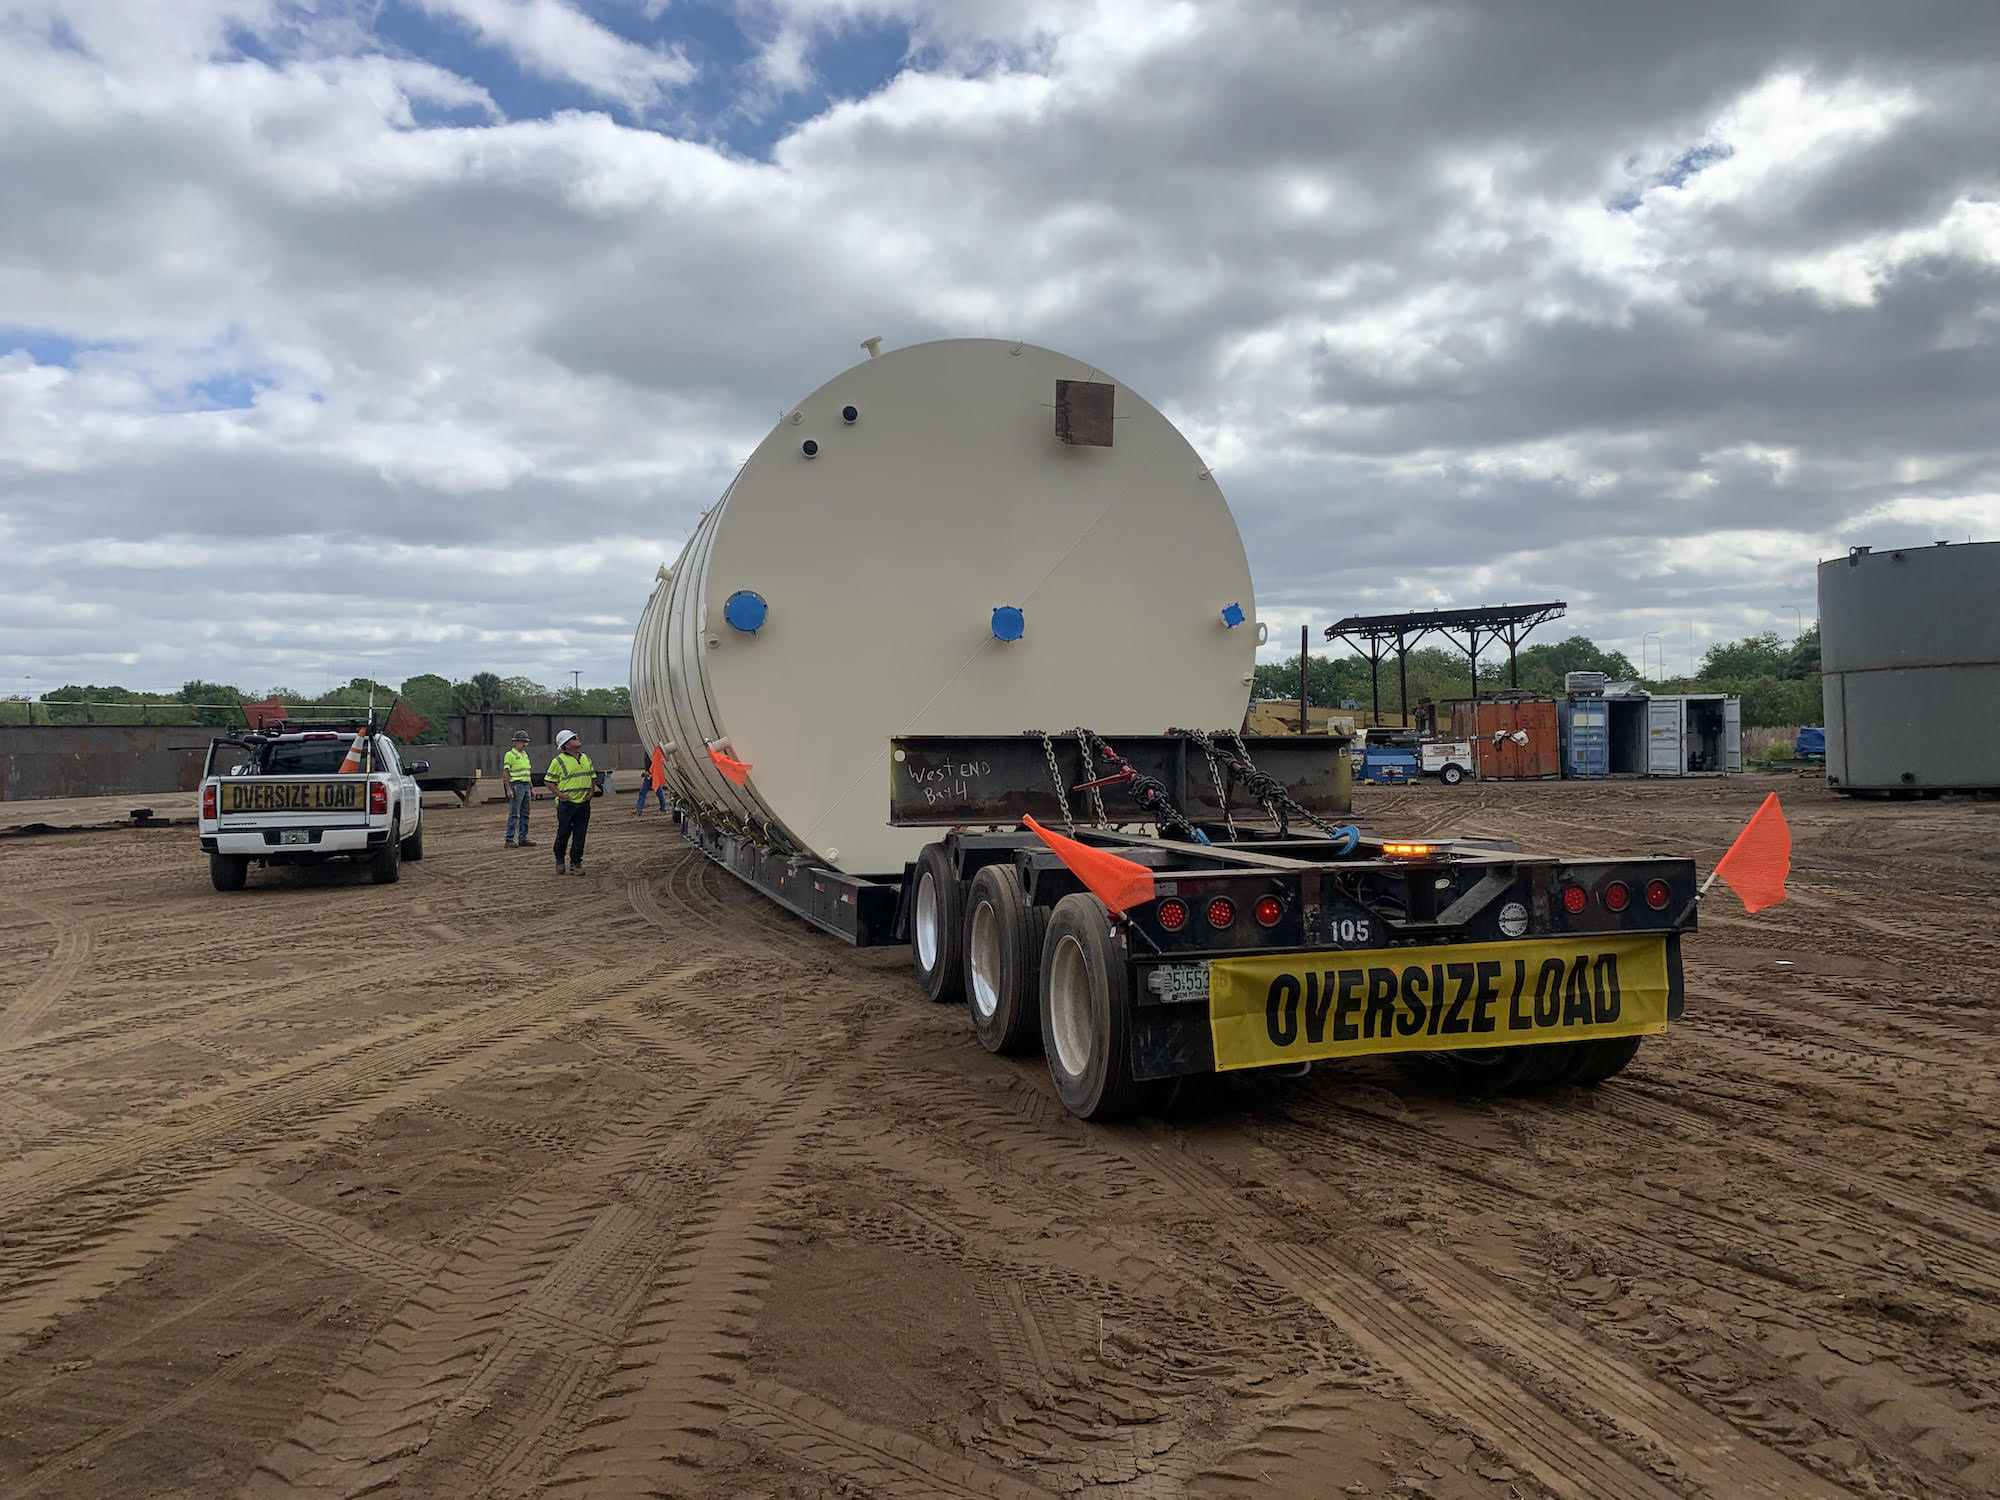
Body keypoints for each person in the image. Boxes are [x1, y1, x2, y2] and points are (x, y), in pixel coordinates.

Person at [545, 729, 596, 875]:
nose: (577, 739)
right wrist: (560, 795)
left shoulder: (586, 758)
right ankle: (559, 859)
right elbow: (548, 781)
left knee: (580, 834)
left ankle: (576, 862)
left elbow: (592, 776)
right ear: (566, 745)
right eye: (574, 738)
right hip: (567, 805)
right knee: (564, 832)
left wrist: (591, 792)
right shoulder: (558, 761)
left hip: (583, 803)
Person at [503, 729, 536, 847]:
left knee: (525, 813)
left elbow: (527, 772)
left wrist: (531, 788)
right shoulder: (510, 755)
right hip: (516, 785)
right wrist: (508, 789)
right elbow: (506, 772)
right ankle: (509, 839)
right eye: (523, 742)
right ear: (516, 742)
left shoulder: (525, 755)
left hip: (525, 785)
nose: (525, 744)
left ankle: (523, 838)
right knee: (514, 813)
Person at [635, 744, 669, 814]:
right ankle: (640, 809)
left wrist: (648, 772)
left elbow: (654, 764)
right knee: (655, 792)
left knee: (656, 792)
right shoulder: (650, 752)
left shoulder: (652, 752)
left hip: (653, 775)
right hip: (650, 775)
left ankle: (663, 808)